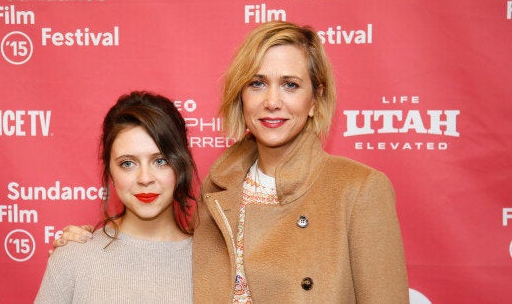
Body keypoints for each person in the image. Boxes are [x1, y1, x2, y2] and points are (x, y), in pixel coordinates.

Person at [56, 21, 409, 303]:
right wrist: (87, 244)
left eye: (290, 85)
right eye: (257, 83)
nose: (272, 101)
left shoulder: (358, 189)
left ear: (315, 99)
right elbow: (162, 258)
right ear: (240, 96)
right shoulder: (220, 188)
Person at [34, 91, 198, 303]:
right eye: (128, 163)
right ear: (110, 171)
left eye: (160, 161)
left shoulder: (215, 264)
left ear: (181, 164)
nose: (145, 178)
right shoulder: (73, 258)